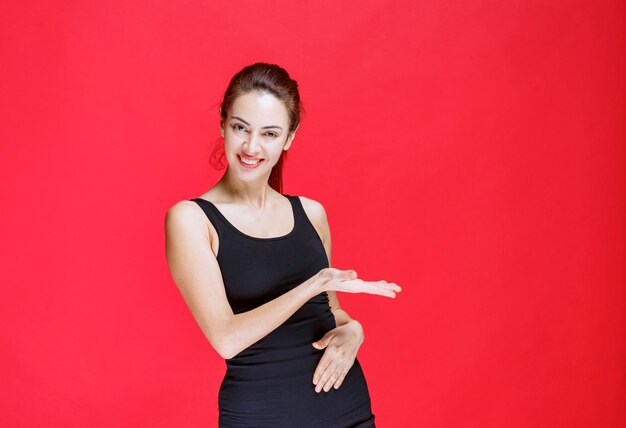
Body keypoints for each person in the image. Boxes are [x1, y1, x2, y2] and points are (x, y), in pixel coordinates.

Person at [164, 62, 402, 427]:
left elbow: (333, 312)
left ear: (290, 137)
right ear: (222, 125)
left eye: (270, 134)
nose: (251, 146)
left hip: (346, 410)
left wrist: (354, 330)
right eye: (240, 128)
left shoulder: (311, 213)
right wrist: (313, 284)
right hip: (262, 415)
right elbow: (226, 338)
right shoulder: (192, 219)